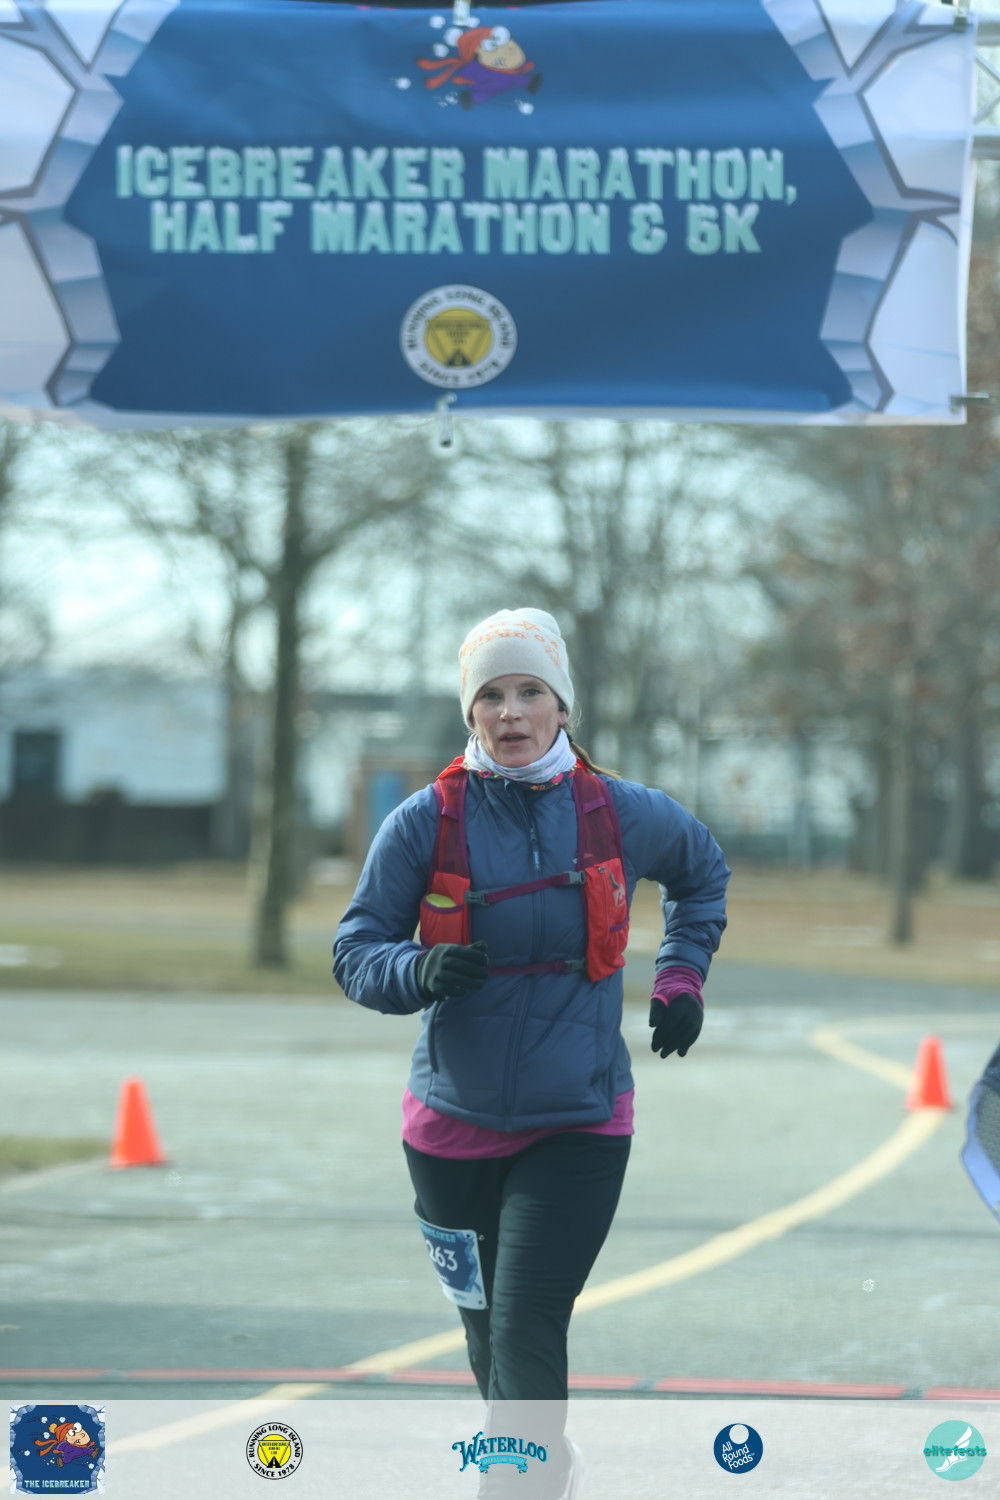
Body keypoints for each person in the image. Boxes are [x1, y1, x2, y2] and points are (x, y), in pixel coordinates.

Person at [333, 608, 729, 1499]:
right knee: (486, 1336)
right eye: (491, 696)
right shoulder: (425, 821)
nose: (510, 713)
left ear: (563, 707)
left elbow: (702, 873)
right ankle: (542, 1463)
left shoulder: (621, 812)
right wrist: (416, 968)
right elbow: (355, 952)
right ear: (469, 712)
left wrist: (681, 976)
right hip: (449, 1125)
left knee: (525, 1322)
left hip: (579, 1118)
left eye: (529, 692)